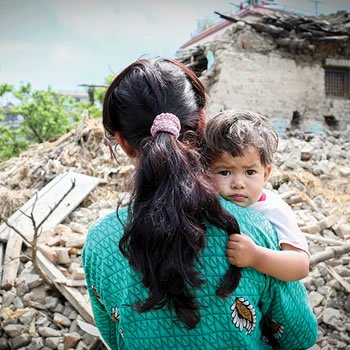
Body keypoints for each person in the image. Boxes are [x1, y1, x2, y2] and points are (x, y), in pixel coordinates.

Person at [82, 58, 317, 350]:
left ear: (122, 141)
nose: (239, 181)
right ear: (201, 124)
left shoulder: (100, 242)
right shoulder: (253, 231)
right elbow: (299, 335)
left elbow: (113, 336)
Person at [202, 110, 310, 282]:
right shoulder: (204, 203)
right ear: (206, 172)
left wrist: (256, 257)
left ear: (266, 174)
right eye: (224, 172)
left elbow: (300, 266)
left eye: (250, 172)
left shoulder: (273, 209)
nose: (238, 183)